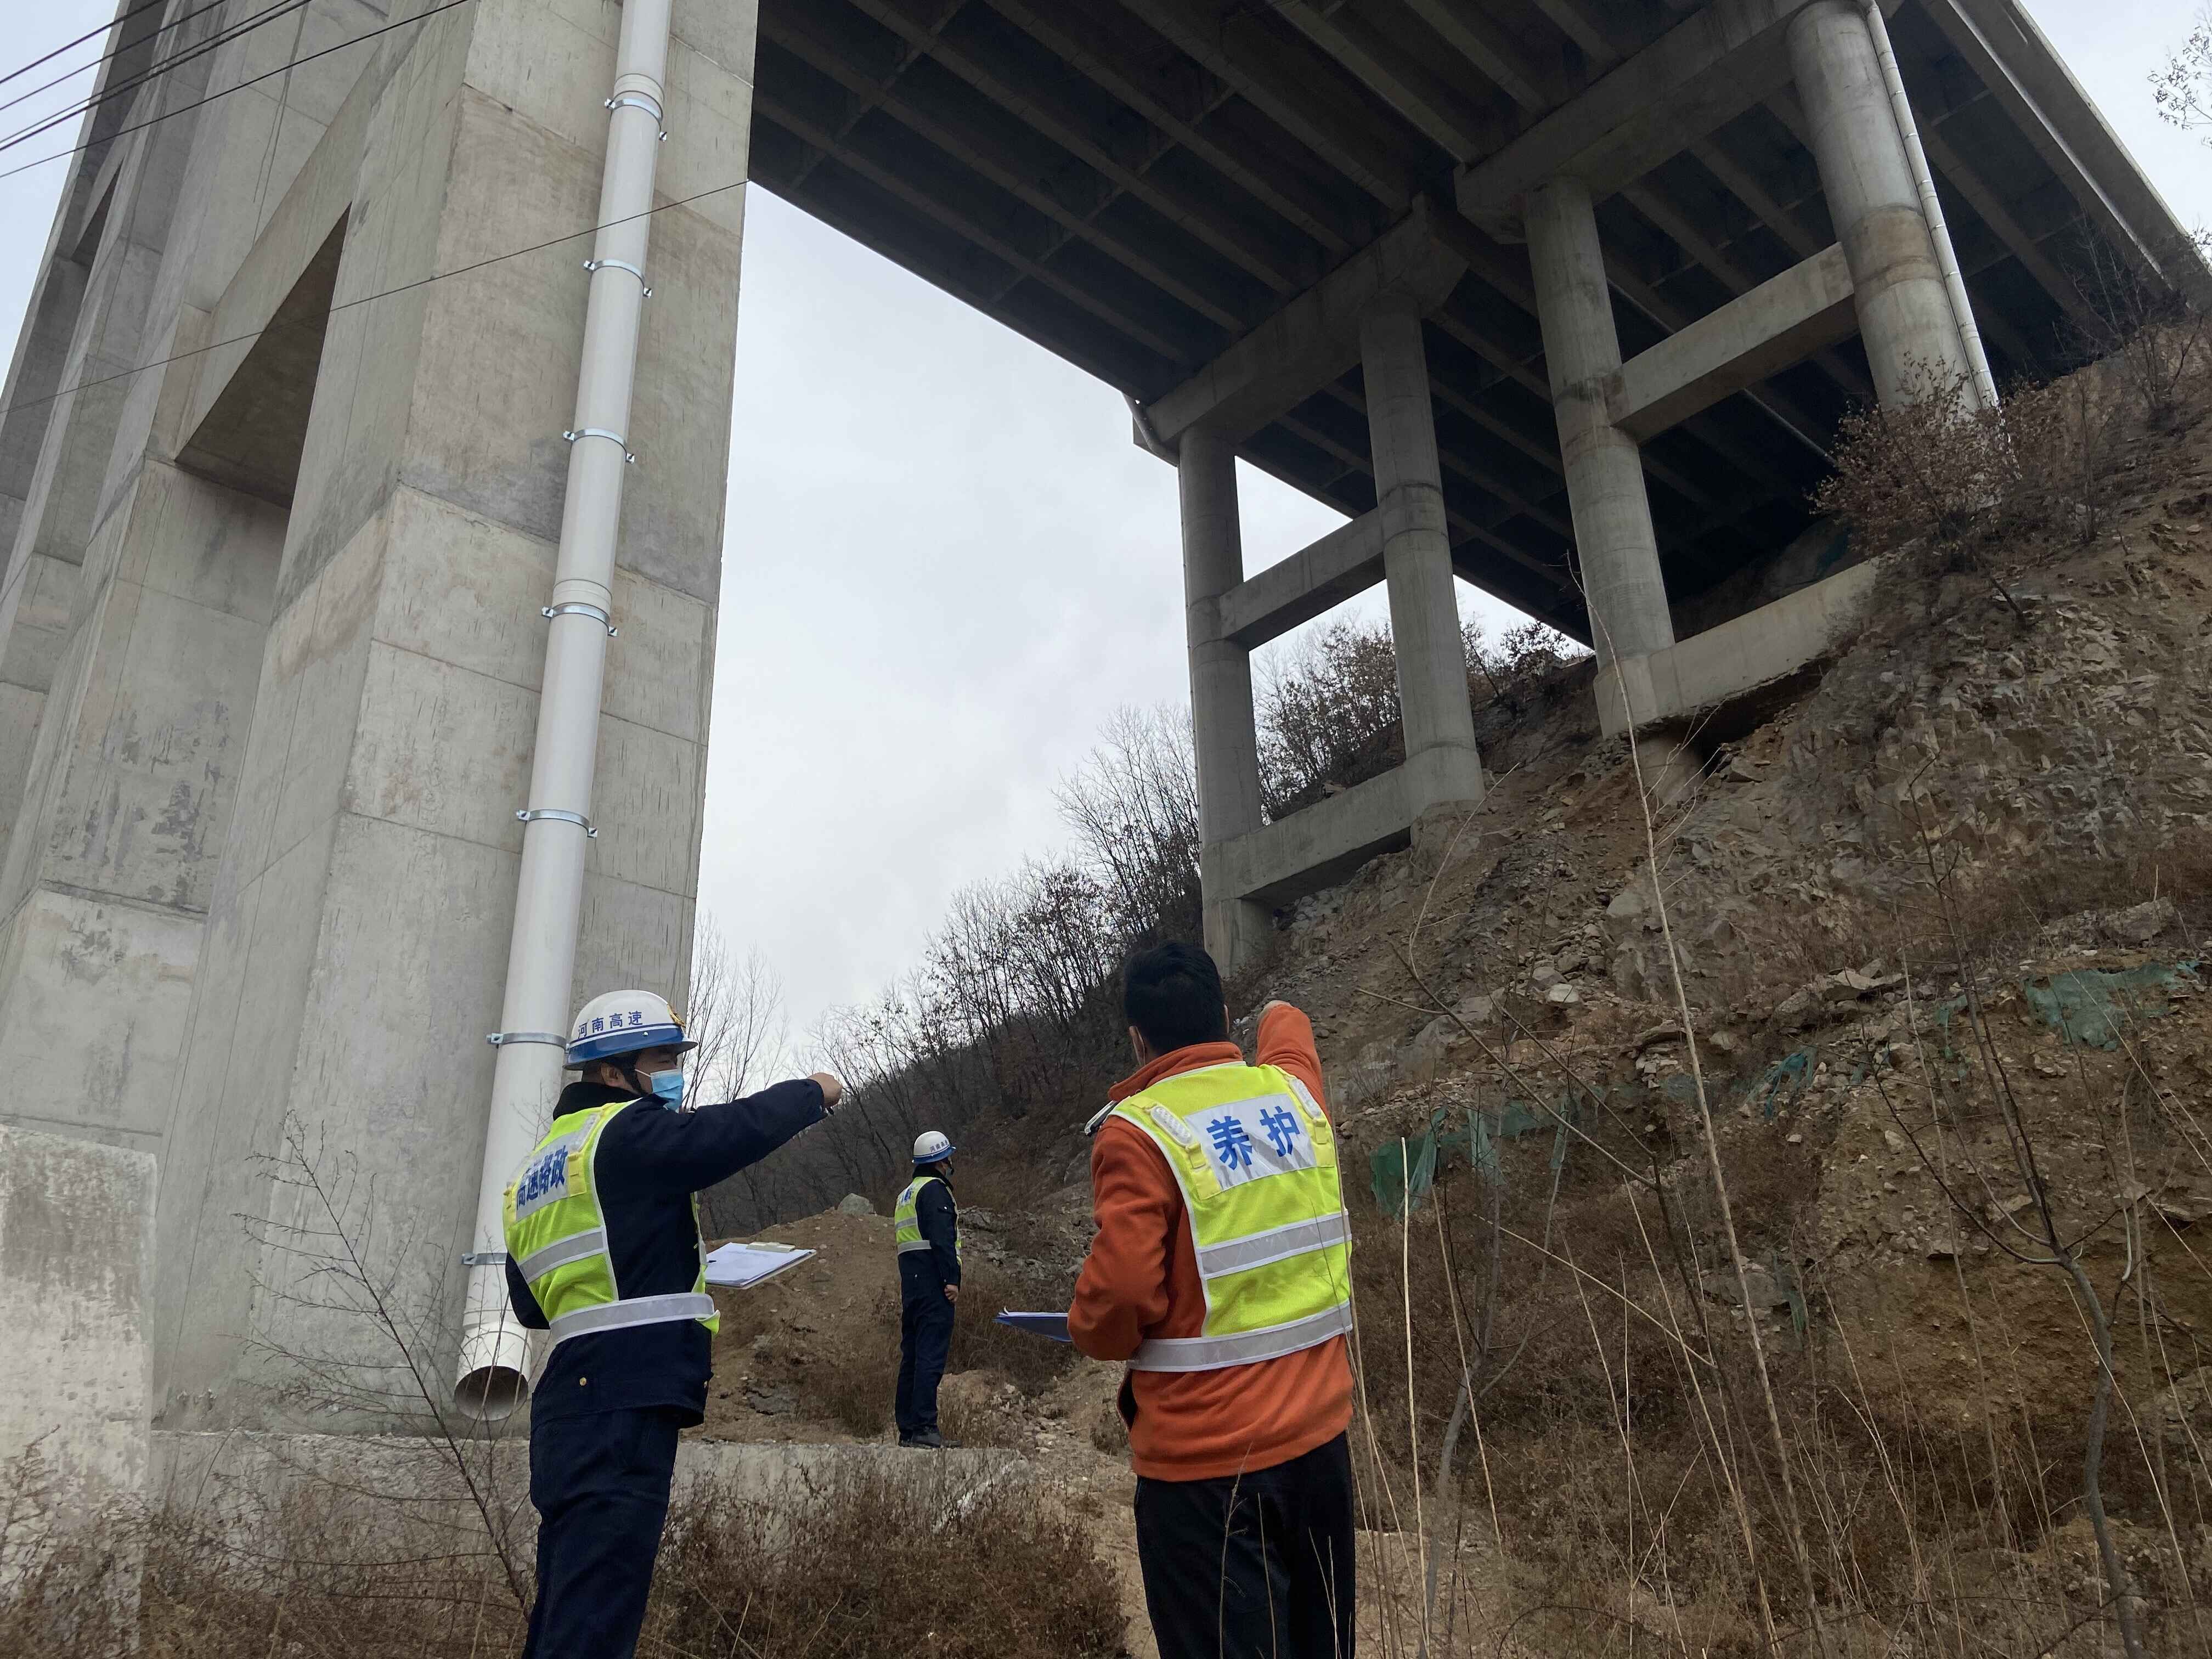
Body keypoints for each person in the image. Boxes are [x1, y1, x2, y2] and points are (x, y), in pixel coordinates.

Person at [503, 988, 842, 1659]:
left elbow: (533, 1305)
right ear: (612, 1072)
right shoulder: (623, 1134)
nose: (673, 1074)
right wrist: (812, 1093)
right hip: (622, 1398)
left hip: (569, 1404)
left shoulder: (535, 1172)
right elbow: (725, 1135)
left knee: (570, 1609)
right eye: (662, 1060)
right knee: (595, 1626)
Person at [1069, 943, 1357, 1659]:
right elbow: (1290, 1034)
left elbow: (1118, 1302)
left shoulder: (1137, 1132)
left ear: (1138, 1039)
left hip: (1207, 1475)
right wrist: (1278, 1010)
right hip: (1321, 1449)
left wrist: (1087, 1327)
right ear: (1226, 1016)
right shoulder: (1294, 1098)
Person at [891, 1129, 963, 1448]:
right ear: (941, 1161)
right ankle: (925, 1427)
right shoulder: (935, 1191)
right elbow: (942, 1240)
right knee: (930, 1356)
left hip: (912, 1284)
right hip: (934, 1283)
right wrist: (952, 1279)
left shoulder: (905, 1195)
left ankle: (908, 1429)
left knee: (913, 1356)